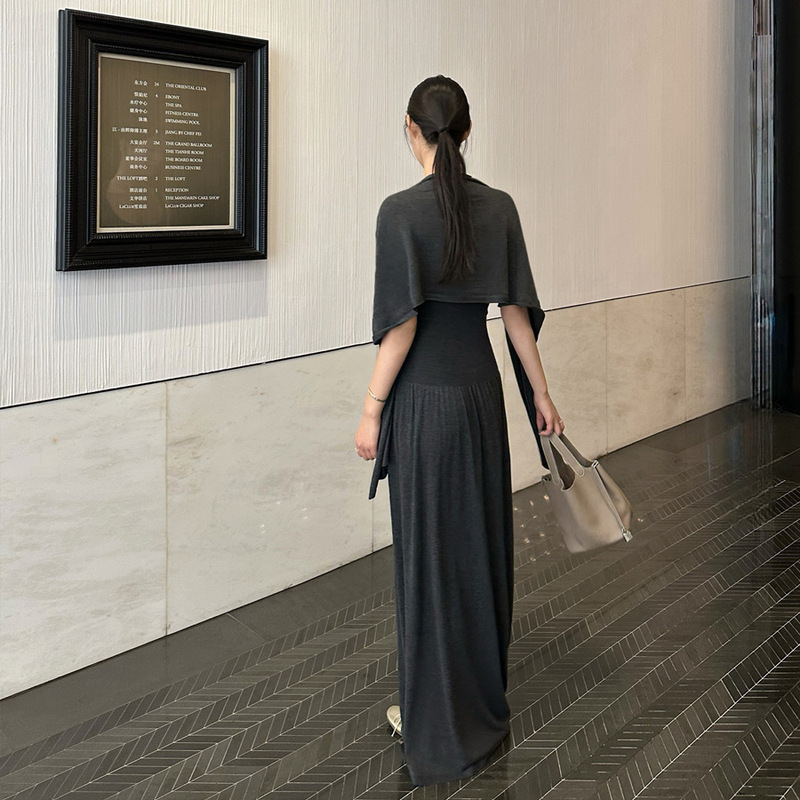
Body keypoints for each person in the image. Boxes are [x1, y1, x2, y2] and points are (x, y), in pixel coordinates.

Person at [354, 75, 564, 787]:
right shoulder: (498, 208)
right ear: (467, 133)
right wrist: (542, 396)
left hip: (422, 404)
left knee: (429, 559)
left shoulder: (399, 213)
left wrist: (372, 409)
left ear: (409, 129)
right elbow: (515, 314)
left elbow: (402, 328)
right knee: (478, 549)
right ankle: (479, 709)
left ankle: (433, 720)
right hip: (479, 398)